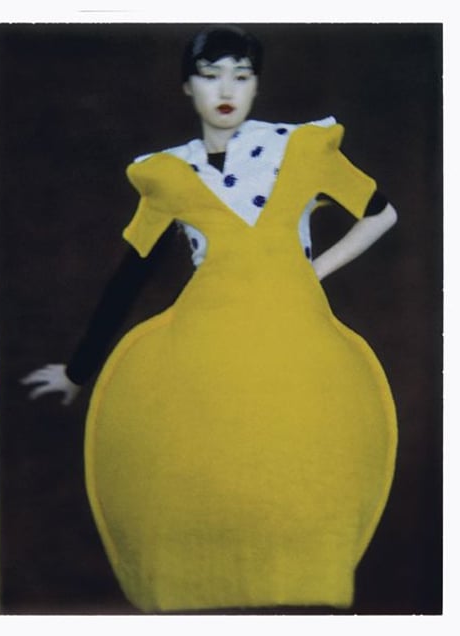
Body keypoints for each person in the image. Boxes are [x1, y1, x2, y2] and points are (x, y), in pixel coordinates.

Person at [21, 25, 398, 613]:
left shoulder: (302, 148)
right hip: (203, 357)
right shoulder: (167, 174)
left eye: (241, 76)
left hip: (294, 347)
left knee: (302, 468)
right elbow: (130, 277)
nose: (226, 90)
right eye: (210, 75)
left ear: (256, 86)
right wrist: (77, 371)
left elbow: (381, 213)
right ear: (187, 87)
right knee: (198, 476)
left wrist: (312, 271)